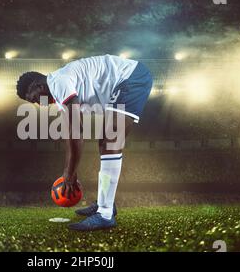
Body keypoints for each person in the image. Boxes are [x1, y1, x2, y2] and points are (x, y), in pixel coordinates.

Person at [16, 54, 153, 231]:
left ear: (37, 85)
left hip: (130, 77)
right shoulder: (58, 89)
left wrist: (69, 173)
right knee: (106, 141)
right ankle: (106, 204)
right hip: (125, 80)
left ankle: (105, 214)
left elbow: (76, 132)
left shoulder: (58, 83)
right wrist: (70, 171)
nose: (38, 104)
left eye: (34, 98)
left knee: (110, 142)